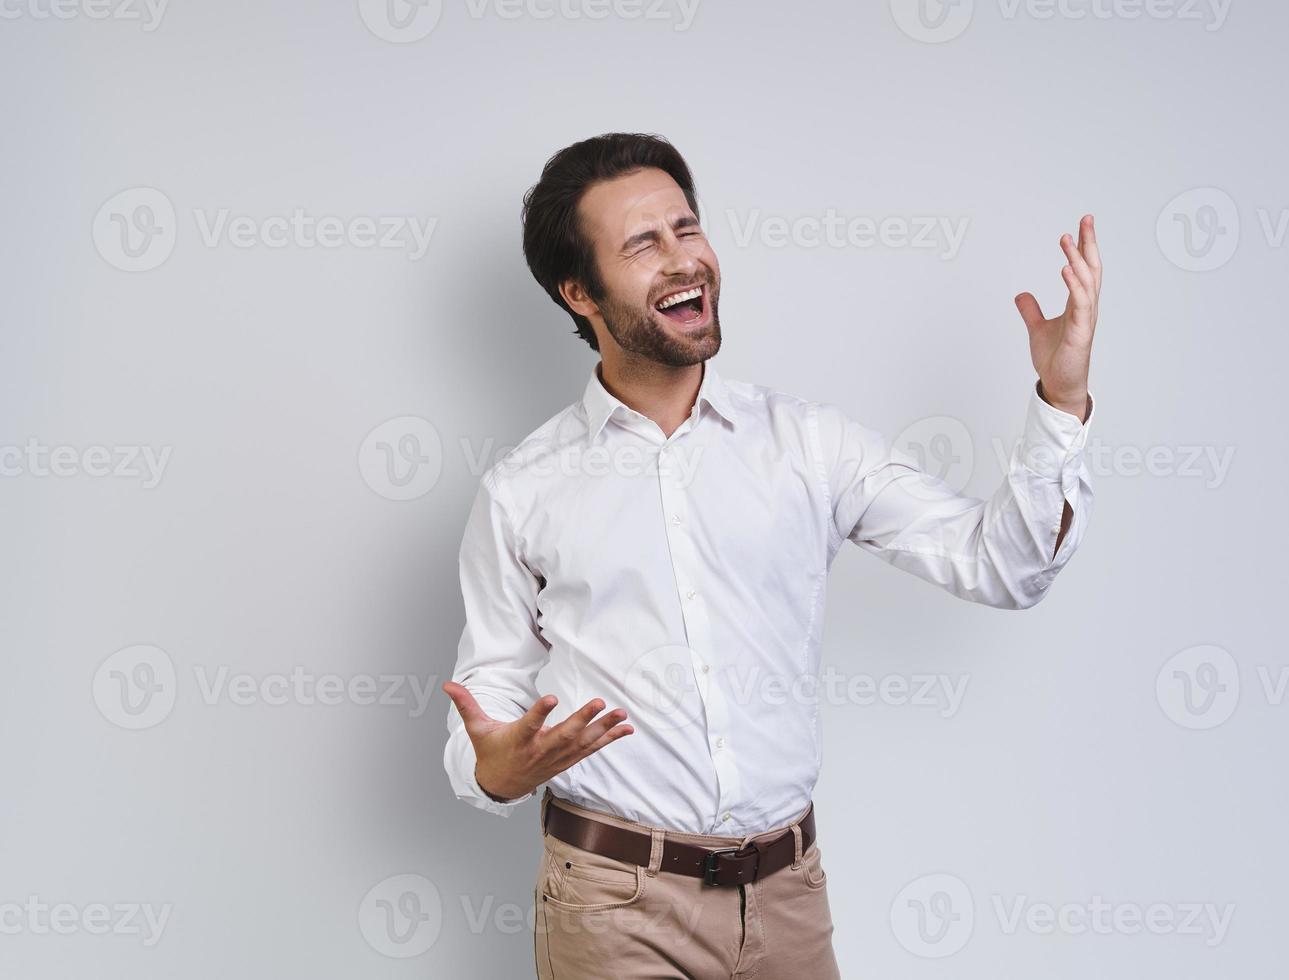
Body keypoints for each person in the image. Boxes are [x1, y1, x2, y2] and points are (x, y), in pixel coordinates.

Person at [442, 132, 1100, 978]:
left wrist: (1063, 397)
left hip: (789, 895)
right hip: (614, 907)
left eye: (687, 228)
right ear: (579, 292)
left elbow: (1005, 566)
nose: (684, 260)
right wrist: (492, 769)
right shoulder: (523, 490)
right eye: (643, 244)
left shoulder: (809, 445)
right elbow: (487, 694)